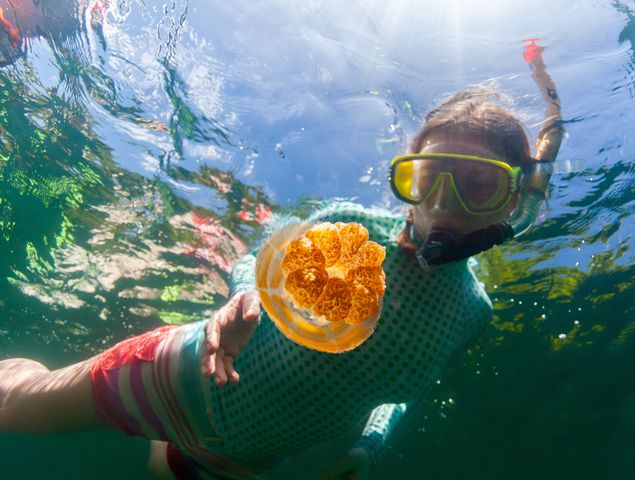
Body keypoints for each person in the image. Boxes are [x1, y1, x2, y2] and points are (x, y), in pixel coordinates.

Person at [0, 37, 563, 479]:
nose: (444, 205)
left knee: (163, 470)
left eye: (479, 187)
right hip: (182, 373)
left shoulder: (471, 311)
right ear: (406, 176)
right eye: (427, 179)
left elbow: (400, 397)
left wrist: (371, 446)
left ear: (511, 201)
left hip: (245, 455)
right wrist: (240, 299)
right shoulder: (356, 225)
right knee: (16, 408)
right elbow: (261, 262)